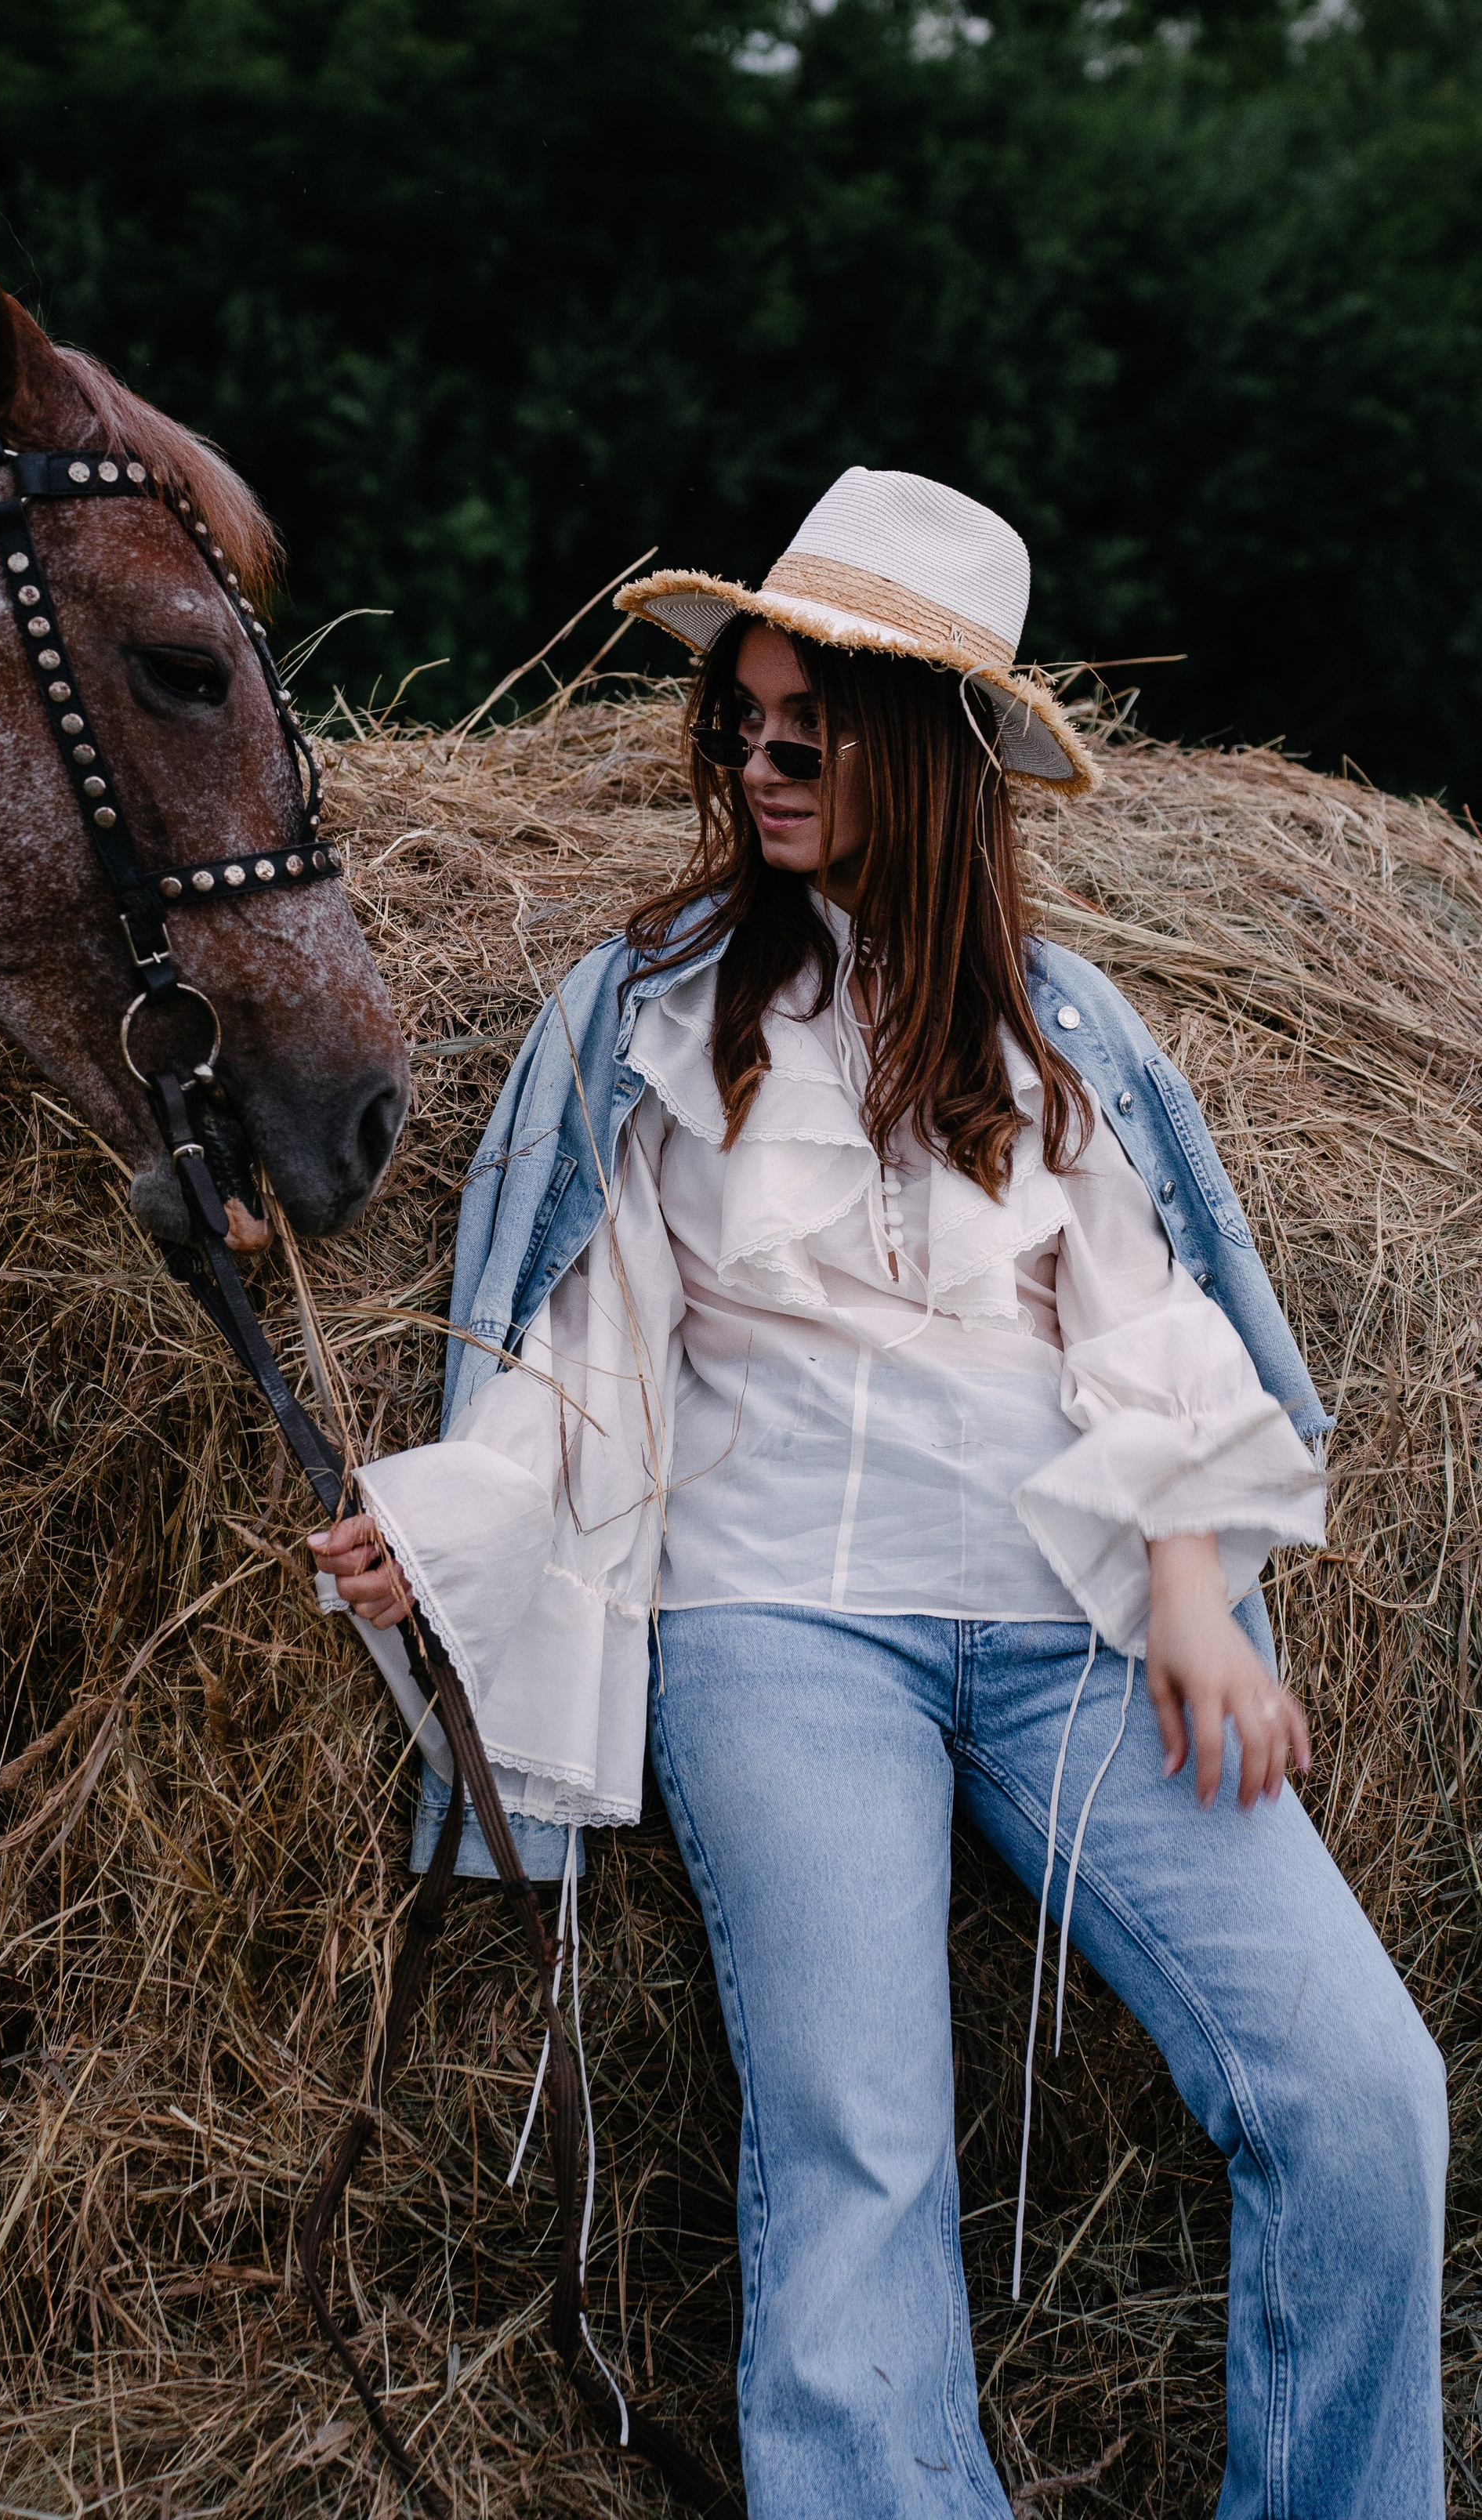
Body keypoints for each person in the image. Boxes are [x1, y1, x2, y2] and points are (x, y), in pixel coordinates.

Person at [310, 469, 1446, 2518]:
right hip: (781, 1633)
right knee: (858, 2142)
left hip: (1078, 1630)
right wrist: (450, 1532)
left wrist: (1192, 1588)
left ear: (922, 750)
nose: (754, 760)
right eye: (735, 724)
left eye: (802, 730)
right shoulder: (653, 1016)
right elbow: (583, 1357)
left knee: (1368, 2089)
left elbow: (1151, 1330)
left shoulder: (1059, 1029)